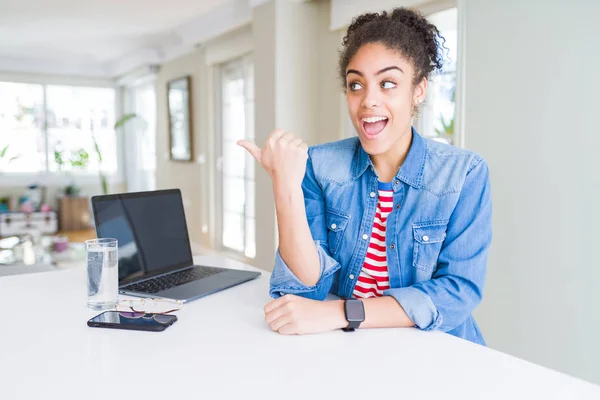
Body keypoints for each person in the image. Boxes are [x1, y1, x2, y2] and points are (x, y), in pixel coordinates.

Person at [238, 7, 492, 345]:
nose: (368, 100)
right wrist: (284, 186)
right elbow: (302, 289)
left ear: (418, 90)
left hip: (437, 351)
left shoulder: (464, 173)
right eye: (356, 84)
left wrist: (343, 313)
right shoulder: (320, 165)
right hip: (351, 352)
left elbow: (458, 291)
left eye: (388, 83)